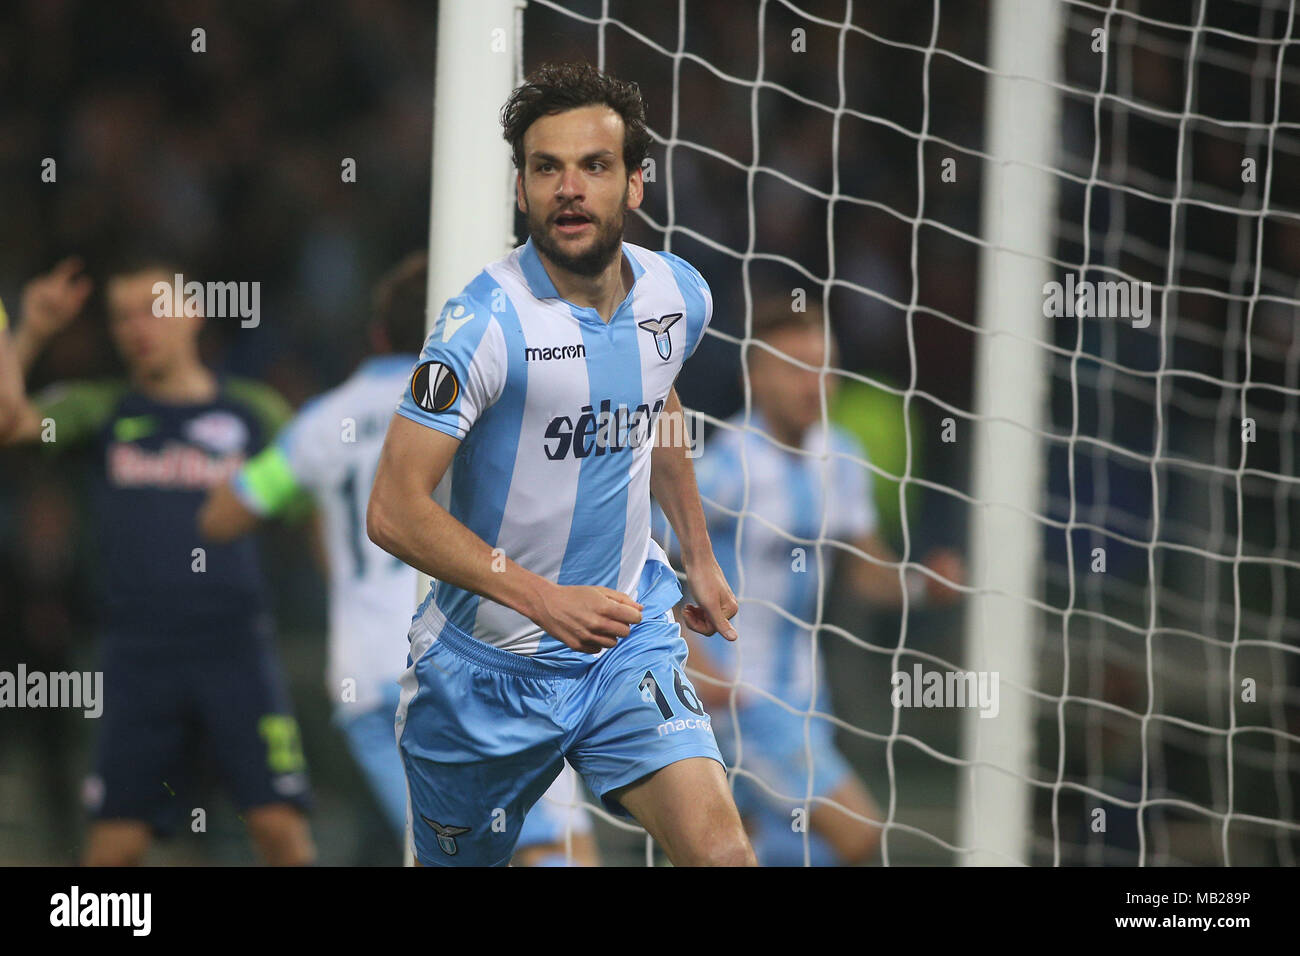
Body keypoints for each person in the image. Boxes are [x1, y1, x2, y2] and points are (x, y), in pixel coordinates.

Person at [365, 61, 755, 867]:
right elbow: (394, 509)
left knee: (724, 856)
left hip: (625, 638)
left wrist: (699, 555)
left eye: (595, 166)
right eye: (547, 169)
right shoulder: (483, 326)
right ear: (521, 190)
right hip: (485, 672)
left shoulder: (677, 295)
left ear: (636, 186)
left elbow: (661, 405)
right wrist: (543, 600)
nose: (569, 188)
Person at [198, 253, 598, 866]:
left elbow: (226, 514)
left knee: (452, 853)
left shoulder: (321, 421)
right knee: (550, 846)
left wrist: (311, 506)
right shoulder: (495, 396)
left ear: (378, 333)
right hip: (483, 656)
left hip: (370, 677)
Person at [0, 256, 315, 866]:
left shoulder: (255, 411)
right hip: (137, 656)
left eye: (153, 308)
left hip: (237, 650)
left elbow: (318, 497)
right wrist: (34, 328)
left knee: (281, 832)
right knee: (117, 845)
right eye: (121, 317)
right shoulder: (102, 411)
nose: (136, 327)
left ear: (193, 313)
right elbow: (9, 423)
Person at [657, 298, 964, 866]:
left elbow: (866, 572)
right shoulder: (726, 464)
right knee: (858, 834)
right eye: (795, 367)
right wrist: (691, 657)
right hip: (741, 699)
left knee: (767, 855)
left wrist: (922, 585)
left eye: (824, 367)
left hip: (805, 699)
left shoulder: (840, 458)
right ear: (756, 374)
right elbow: (648, 559)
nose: (813, 384)